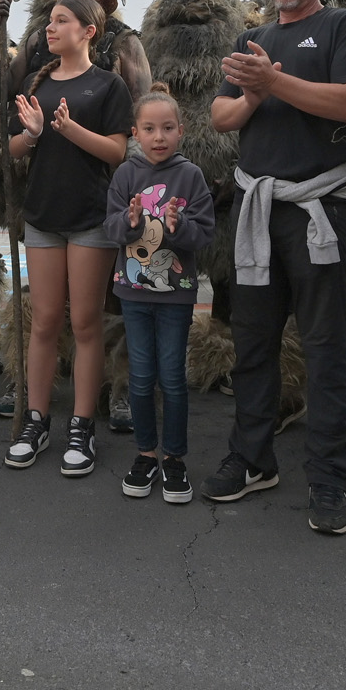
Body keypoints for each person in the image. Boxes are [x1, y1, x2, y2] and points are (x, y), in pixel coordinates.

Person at [207, 0, 346, 535]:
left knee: (328, 347)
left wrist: (271, 82)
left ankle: (333, 478)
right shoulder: (251, 39)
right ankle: (252, 459)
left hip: (319, 211)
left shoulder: (342, 28)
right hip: (258, 211)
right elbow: (222, 116)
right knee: (252, 343)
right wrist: (256, 90)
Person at [5, 0, 133, 476]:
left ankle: (81, 424)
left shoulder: (108, 86)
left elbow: (118, 152)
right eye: (49, 22)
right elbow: (14, 151)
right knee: (42, 323)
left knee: (84, 323)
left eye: (62, 21)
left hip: (90, 218)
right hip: (42, 216)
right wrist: (35, 133)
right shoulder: (37, 83)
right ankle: (36, 421)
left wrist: (71, 130)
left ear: (88, 31)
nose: (49, 29)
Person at [101, 84, 215, 503]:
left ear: (182, 131)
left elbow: (205, 235)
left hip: (176, 296)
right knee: (141, 376)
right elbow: (110, 229)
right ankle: (146, 453)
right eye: (149, 128)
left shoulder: (191, 176)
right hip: (132, 293)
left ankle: (176, 458)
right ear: (135, 132)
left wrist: (177, 227)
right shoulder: (126, 174)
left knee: (173, 377)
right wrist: (131, 222)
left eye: (168, 127)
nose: (159, 136)